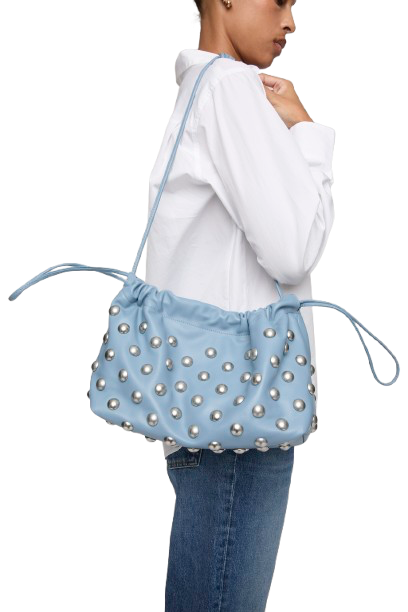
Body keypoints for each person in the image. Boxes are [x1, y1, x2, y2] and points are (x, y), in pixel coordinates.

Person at [144, 1, 337, 609]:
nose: (291, 22)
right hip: (243, 404)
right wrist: (306, 132)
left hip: (215, 393)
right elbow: (293, 252)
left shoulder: (203, 87)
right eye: (278, 1)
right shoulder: (229, 90)